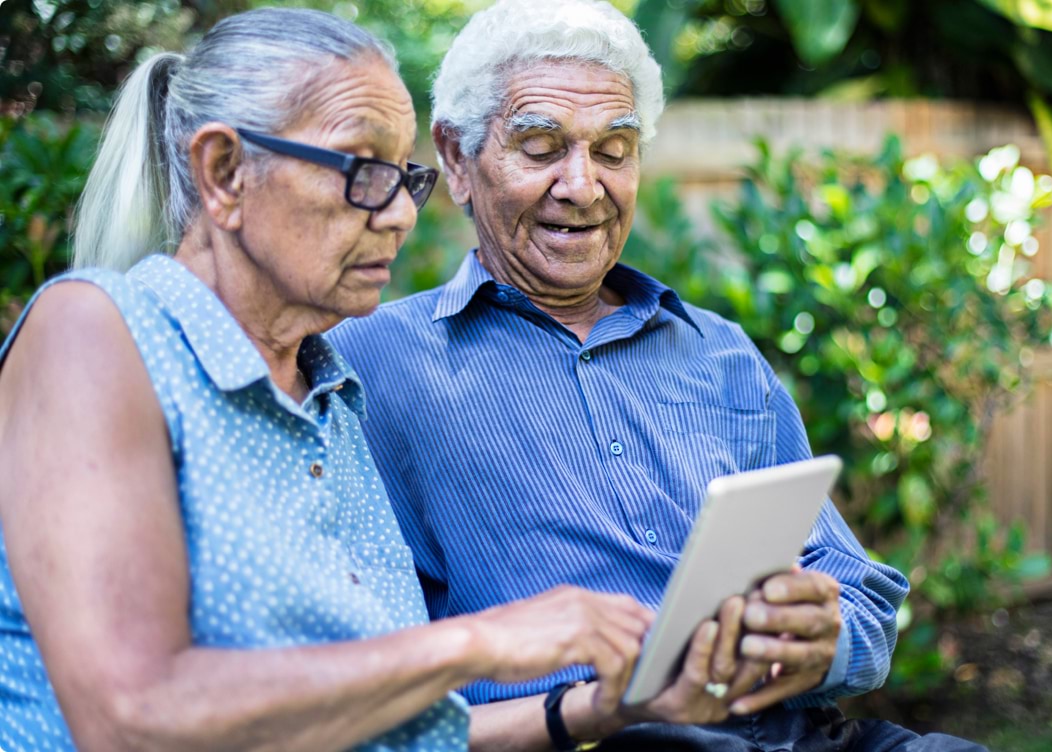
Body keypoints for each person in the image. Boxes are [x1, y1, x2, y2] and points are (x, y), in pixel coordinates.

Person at [0, 8, 683, 751]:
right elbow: (132, 713)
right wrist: (482, 642)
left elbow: (388, 728)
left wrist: (599, 708)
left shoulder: (332, 396)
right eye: (361, 170)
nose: (398, 216)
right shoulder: (98, 334)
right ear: (225, 173)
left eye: (403, 179)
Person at [329, 1, 988, 750]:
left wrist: (822, 635)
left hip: (799, 731)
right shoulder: (368, 365)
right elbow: (365, 680)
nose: (582, 186)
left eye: (613, 150)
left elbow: (856, 586)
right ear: (456, 159)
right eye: (541, 145)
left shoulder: (722, 353)